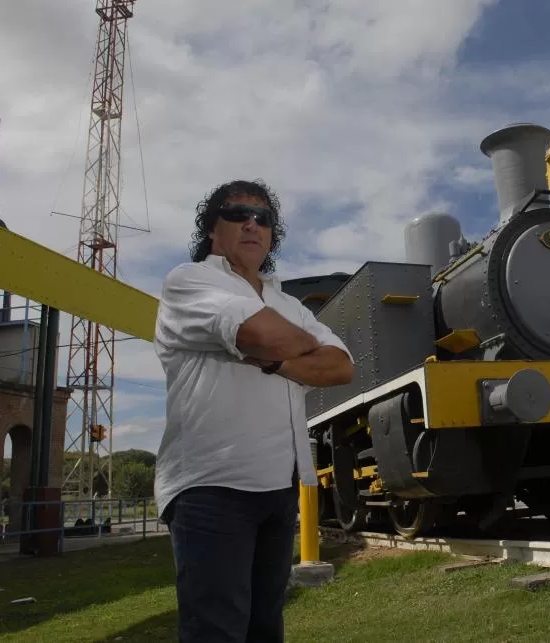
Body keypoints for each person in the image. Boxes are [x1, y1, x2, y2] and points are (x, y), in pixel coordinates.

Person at [153, 179, 354, 642]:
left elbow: (341, 367)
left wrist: (277, 361)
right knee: (217, 630)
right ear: (212, 229)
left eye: (263, 218)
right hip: (211, 485)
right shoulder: (190, 281)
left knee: (265, 628)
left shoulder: (286, 302)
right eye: (237, 212)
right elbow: (267, 336)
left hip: (278, 489)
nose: (252, 223)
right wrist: (293, 349)